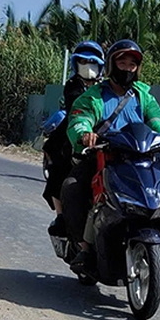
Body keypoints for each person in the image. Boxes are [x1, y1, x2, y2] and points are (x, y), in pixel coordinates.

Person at [60, 39, 160, 269]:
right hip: (103, 157)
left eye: (132, 64)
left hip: (140, 160)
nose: (127, 68)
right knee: (73, 186)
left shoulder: (143, 95)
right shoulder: (94, 95)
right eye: (122, 62)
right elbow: (79, 118)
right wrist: (85, 133)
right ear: (110, 65)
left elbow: (157, 121)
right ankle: (84, 248)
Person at [44, 41, 106, 232]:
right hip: (75, 131)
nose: (88, 66)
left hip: (106, 134)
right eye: (83, 62)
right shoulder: (72, 86)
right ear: (75, 65)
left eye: (92, 62)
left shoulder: (107, 87)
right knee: (58, 164)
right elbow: (76, 111)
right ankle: (61, 216)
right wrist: (85, 132)